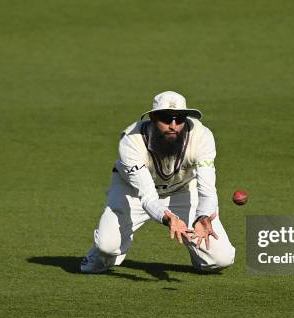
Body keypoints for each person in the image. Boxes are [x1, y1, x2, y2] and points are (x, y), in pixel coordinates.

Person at [80, 91, 236, 273]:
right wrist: (166, 216)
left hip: (182, 190)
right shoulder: (131, 141)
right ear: (153, 118)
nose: (173, 125)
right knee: (107, 246)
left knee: (221, 259)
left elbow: (208, 190)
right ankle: (99, 258)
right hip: (133, 192)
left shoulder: (202, 137)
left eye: (179, 119)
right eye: (166, 118)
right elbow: (147, 196)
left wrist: (203, 216)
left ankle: (200, 257)